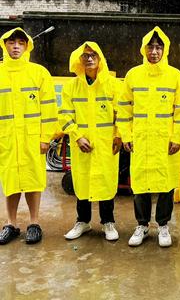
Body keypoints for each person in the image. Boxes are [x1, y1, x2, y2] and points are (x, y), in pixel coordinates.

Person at [117, 27, 180, 247]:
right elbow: (124, 108)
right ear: (144, 49)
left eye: (158, 47)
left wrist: (177, 137)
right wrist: (126, 135)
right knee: (140, 184)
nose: (154, 52)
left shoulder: (175, 76)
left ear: (165, 50)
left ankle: (163, 225)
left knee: (166, 184)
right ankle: (142, 225)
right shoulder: (133, 75)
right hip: (140, 139)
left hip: (165, 141)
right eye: (151, 47)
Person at [0, 27, 57, 245]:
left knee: (33, 181)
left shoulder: (39, 73)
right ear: (4, 44)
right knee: (11, 182)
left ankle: (34, 223)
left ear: (27, 46)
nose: (16, 46)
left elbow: (49, 109)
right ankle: (11, 224)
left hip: (32, 139)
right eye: (11, 42)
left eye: (20, 43)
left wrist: (45, 138)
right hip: (6, 139)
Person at [60, 42, 122, 241]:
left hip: (106, 144)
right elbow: (65, 114)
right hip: (82, 145)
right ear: (79, 59)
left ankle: (108, 222)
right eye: (85, 55)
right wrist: (77, 136)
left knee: (106, 181)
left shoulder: (113, 85)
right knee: (83, 181)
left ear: (100, 57)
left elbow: (122, 113)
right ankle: (83, 221)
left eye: (93, 54)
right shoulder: (71, 87)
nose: (89, 58)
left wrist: (119, 135)